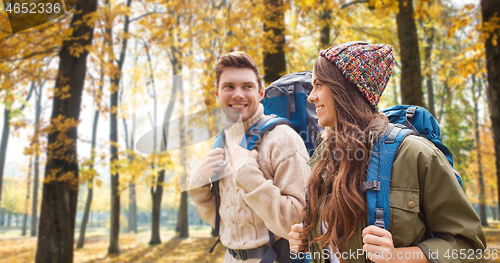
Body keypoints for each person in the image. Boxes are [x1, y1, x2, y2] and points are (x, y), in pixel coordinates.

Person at [287, 42, 487, 263]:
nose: (311, 97)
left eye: (319, 85)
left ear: (345, 89)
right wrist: (308, 241)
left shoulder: (415, 154)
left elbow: (470, 246)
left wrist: (399, 257)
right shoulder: (324, 160)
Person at [189, 51, 311, 262]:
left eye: (247, 86)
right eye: (229, 86)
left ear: (260, 93)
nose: (238, 94)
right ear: (217, 93)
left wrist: (247, 174)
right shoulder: (221, 142)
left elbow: (298, 220)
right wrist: (198, 186)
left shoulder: (283, 139)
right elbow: (224, 222)